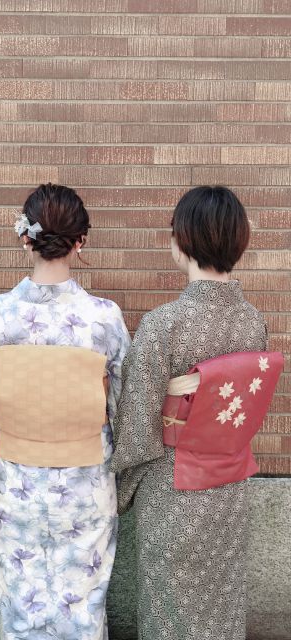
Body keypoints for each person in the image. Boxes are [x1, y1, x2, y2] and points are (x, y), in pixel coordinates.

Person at [111, 186, 281, 640]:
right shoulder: (252, 320)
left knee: (170, 606)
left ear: (182, 240)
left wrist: (120, 488)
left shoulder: (164, 323)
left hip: (174, 488)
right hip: (229, 486)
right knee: (220, 604)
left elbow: (138, 422)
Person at [0, 183, 131, 639]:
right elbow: (122, 405)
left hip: (16, 480)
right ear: (81, 241)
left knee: (19, 594)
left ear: (26, 238)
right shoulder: (103, 317)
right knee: (82, 599)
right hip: (84, 480)